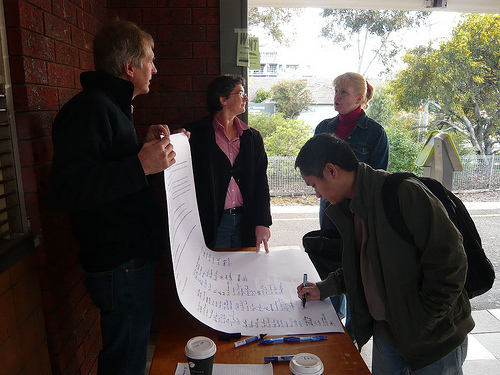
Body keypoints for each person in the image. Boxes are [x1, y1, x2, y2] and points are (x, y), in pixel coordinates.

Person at [49, 20, 181, 375]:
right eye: (150, 60)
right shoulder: (88, 109)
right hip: (117, 260)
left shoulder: (111, 105)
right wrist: (141, 164)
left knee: (132, 352)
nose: (154, 68)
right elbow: (67, 190)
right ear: (129, 67)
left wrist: (143, 149)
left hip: (127, 256)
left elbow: (106, 166)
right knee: (125, 360)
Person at [295, 133, 474, 375]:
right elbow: (366, 265)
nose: (317, 195)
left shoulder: (403, 194)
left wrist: (422, 322)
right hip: (387, 336)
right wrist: (325, 287)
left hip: (434, 341)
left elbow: (451, 264)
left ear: (331, 171)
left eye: (314, 184)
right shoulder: (350, 206)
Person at [315, 72, 390, 334]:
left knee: (358, 264)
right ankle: (331, 321)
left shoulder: (376, 133)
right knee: (331, 261)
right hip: (330, 210)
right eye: (335, 91)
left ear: (360, 98)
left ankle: (355, 326)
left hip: (360, 213)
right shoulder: (324, 127)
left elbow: (378, 176)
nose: (336, 97)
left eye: (343, 92)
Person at [185, 74, 272, 252]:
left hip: (246, 220)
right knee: (216, 275)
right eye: (240, 93)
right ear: (223, 99)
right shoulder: (196, 135)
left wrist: (262, 223)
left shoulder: (252, 137)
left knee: (244, 275)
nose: (246, 98)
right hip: (213, 224)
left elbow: (260, 182)